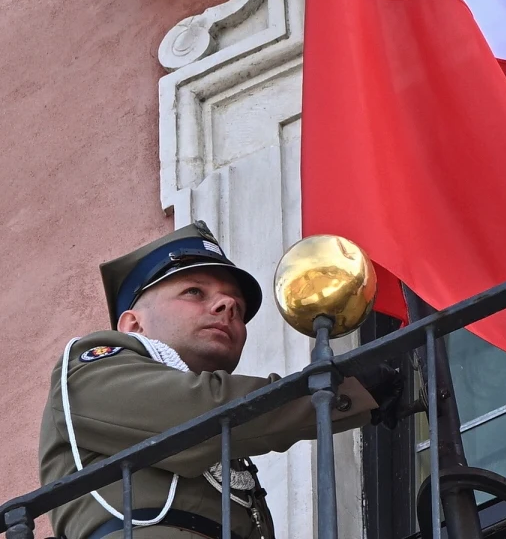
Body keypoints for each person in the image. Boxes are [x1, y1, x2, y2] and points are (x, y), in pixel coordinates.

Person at [39, 222, 402, 539]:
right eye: (194, 292)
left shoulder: (232, 433)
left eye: (238, 309)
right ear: (133, 324)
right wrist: (341, 390)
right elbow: (200, 409)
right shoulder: (89, 369)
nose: (226, 306)